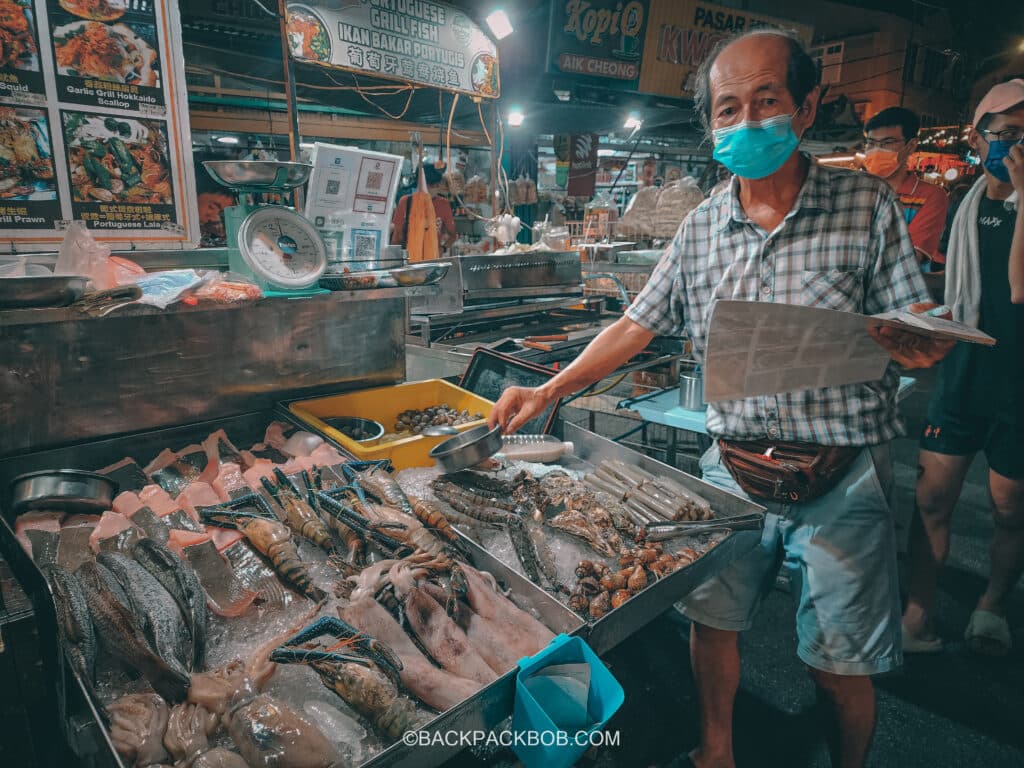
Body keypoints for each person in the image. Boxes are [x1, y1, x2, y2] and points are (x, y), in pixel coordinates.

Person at [489, 30, 952, 768]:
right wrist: (547, 388)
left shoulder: (865, 207)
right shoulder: (700, 227)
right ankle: (716, 752)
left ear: (806, 107)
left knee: (839, 664)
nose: (745, 122)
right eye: (727, 109)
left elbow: (909, 318)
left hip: (842, 472)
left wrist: (919, 337)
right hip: (730, 469)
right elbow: (638, 322)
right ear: (710, 126)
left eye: (765, 101)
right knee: (714, 624)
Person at [902, 78, 1024, 657]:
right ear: (979, 139)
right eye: (1006, 132)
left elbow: (1019, 289)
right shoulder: (965, 205)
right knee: (930, 500)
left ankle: (993, 604)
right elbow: (949, 285)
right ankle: (917, 613)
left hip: (1019, 385)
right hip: (961, 377)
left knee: (1010, 508)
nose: (1016, 143)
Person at [862, 107, 949, 268]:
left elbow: (908, 259)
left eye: (887, 143)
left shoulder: (931, 196)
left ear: (911, 146)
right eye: (871, 143)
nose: (876, 151)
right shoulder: (857, 191)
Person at [389, 162, 457, 255]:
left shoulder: (443, 204)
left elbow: (453, 235)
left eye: (437, 184)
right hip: (409, 259)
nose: (435, 187)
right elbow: (396, 237)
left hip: (432, 260)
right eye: (431, 184)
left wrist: (443, 248)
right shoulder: (405, 202)